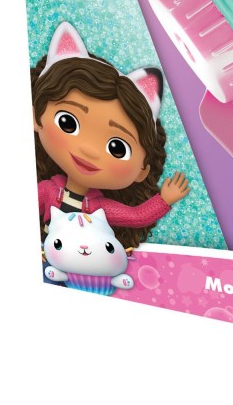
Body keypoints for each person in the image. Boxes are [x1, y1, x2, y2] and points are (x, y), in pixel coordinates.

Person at [33, 22, 190, 252]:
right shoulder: (47, 191)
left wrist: (164, 200)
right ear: (35, 117)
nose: (89, 150)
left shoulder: (100, 208)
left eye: (117, 147)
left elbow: (136, 216)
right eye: (68, 123)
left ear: (142, 171)